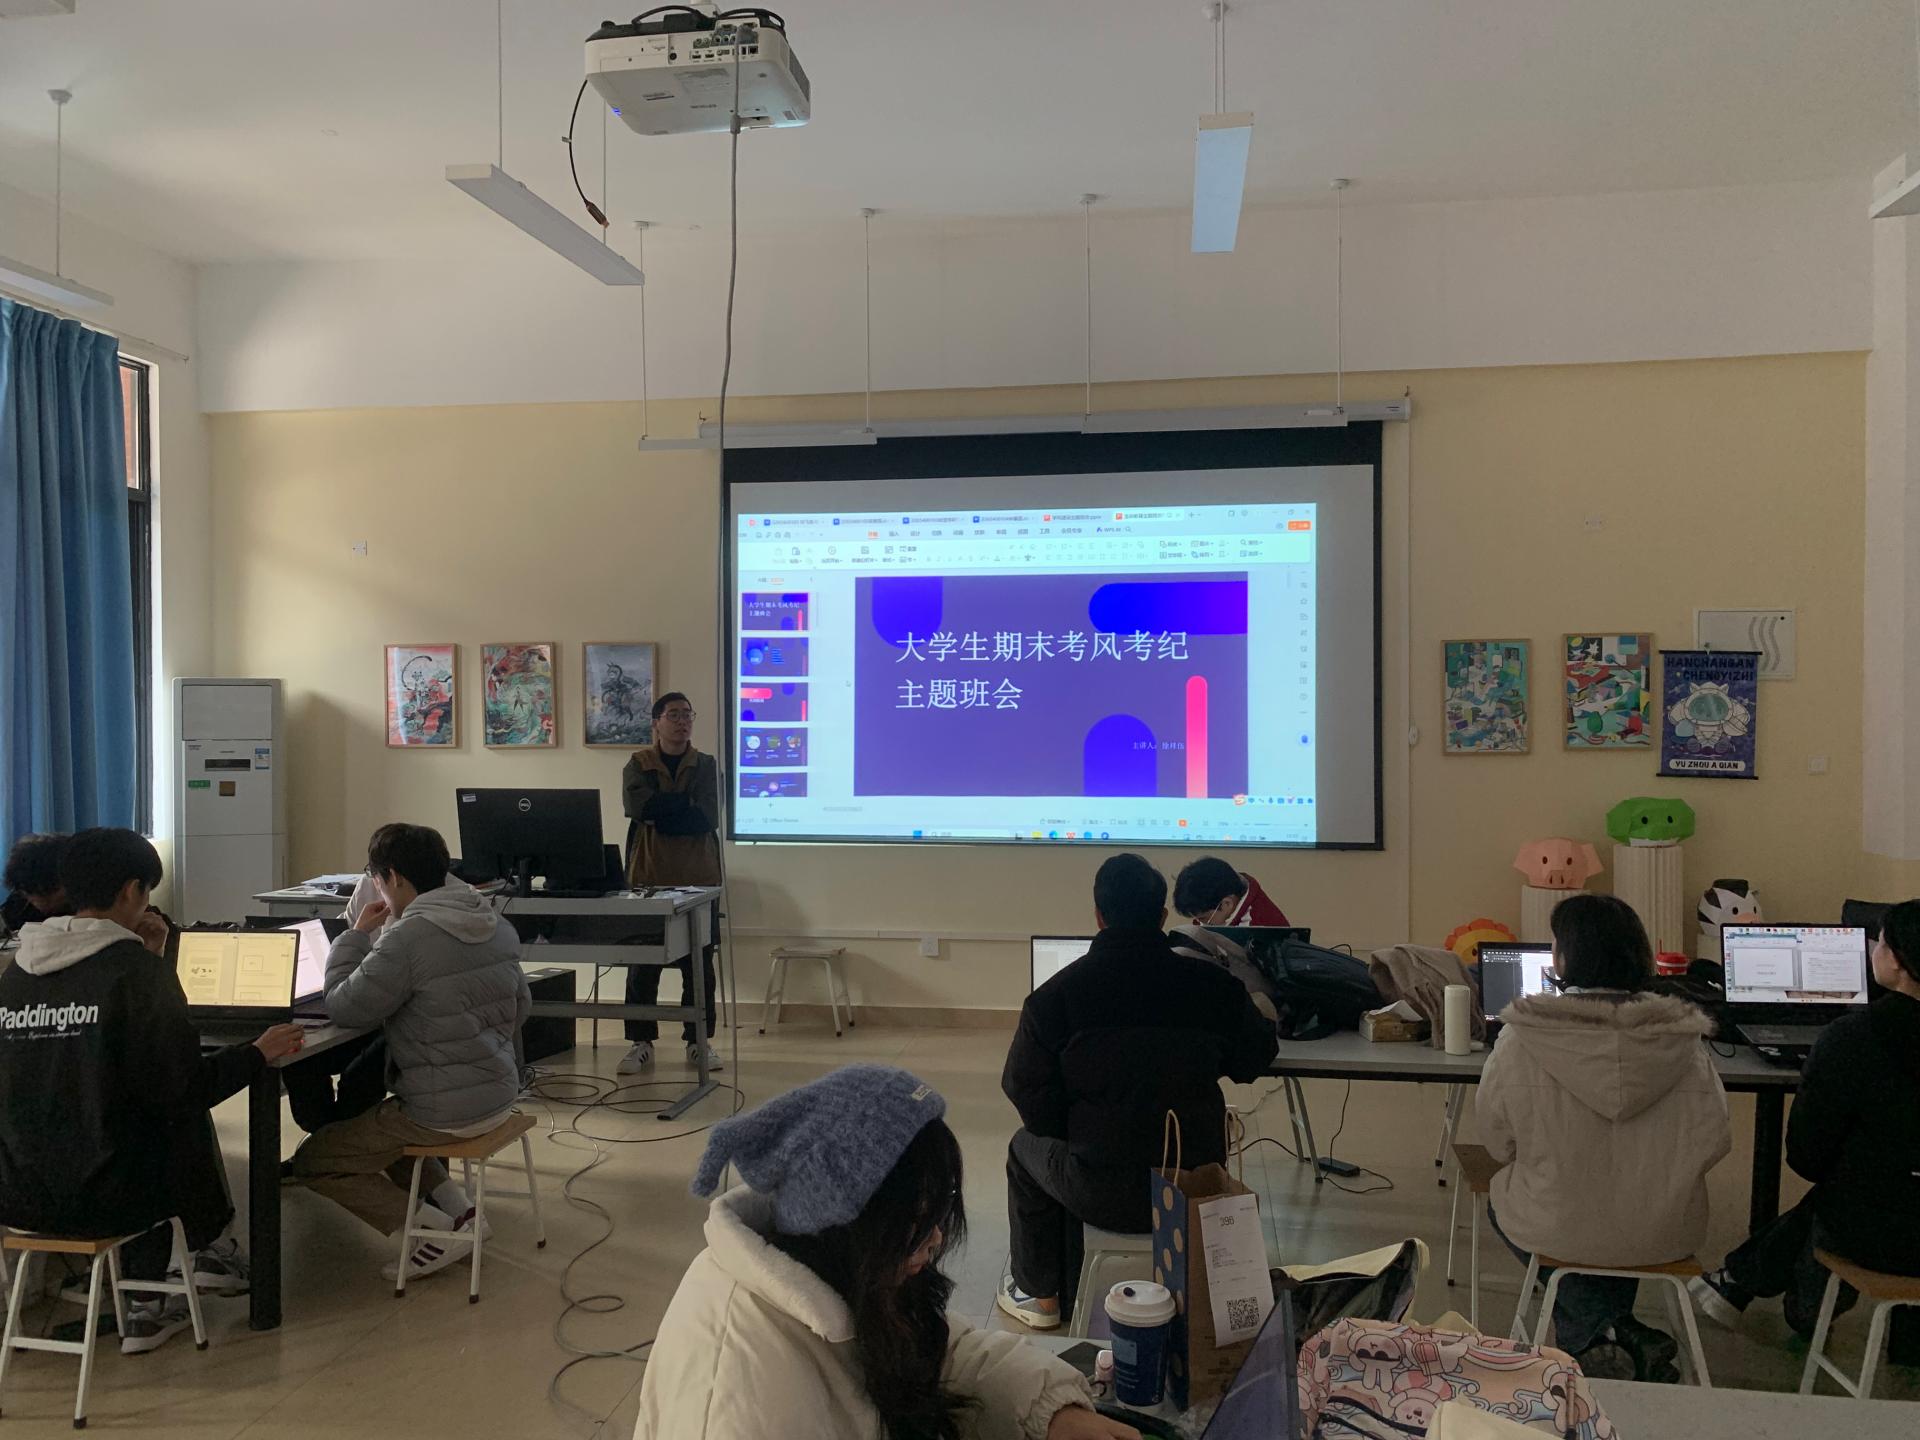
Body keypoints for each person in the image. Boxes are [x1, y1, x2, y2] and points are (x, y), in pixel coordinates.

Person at [636, 1064, 1138, 1440]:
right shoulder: (740, 1399)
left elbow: (935, 1349)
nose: (936, 1240)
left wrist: (1053, 1412)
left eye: (939, 1211)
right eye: (914, 1224)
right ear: (851, 1227)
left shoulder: (833, 1272)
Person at [0, 828, 303, 1353]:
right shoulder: (137, 973)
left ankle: (154, 1283)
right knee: (176, 1127)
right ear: (131, 891)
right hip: (110, 1199)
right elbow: (182, 1088)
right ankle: (154, 1298)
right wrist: (257, 1053)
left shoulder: (16, 977)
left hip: (20, 1195)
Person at [998, 853, 1279, 1328]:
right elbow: (1254, 1059)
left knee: (1025, 1149)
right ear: (1163, 916)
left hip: (1098, 1189)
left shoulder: (1054, 997)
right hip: (1191, 1183)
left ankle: (1042, 1297)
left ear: (1098, 916)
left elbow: (1024, 1089)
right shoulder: (1213, 987)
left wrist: (1076, 1132)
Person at [1478, 893, 1731, 1382]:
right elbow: (1716, 1139)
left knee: (1512, 1203)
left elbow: (1496, 1142)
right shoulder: (1685, 1042)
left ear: (1564, 959)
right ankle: (1614, 1332)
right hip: (1663, 1228)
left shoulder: (1522, 1038)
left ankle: (1598, 1334)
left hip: (1555, 1222)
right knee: (1617, 1219)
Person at [291, 823, 530, 1281]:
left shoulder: (408, 937)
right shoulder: (494, 924)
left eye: (376, 879)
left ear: (394, 877)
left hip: (442, 1111)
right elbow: (523, 1007)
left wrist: (355, 935)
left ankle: (435, 1230)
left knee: (315, 1161)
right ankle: (462, 1212)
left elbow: (343, 1005)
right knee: (382, 1126)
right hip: (500, 1094)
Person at [1690, 899, 1920, 1364]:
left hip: (1879, 1232)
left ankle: (1778, 1293)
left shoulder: (1853, 1038)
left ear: (1897, 962)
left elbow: (1806, 1158)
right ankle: (1742, 1281)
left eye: (1879, 942)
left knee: (1847, 1193)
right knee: (1881, 1181)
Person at [618, 691, 723, 1075]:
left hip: (700, 878)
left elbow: (707, 816)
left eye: (687, 714)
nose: (682, 721)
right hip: (648, 877)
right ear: (656, 722)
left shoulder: (706, 765)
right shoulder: (638, 763)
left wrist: (660, 815)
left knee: (699, 965)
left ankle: (698, 1042)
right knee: (642, 964)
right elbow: (638, 807)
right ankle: (640, 1042)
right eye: (674, 715)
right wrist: (682, 805)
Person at [1171, 855, 1291, 928]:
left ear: (1227, 903)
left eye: (1203, 918)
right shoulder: (1220, 909)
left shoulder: (1262, 927)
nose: (1200, 924)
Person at [2, 832, 71, 935]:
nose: (38, 901)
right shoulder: (18, 904)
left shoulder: (85, 905)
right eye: (29, 892)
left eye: (47, 891)